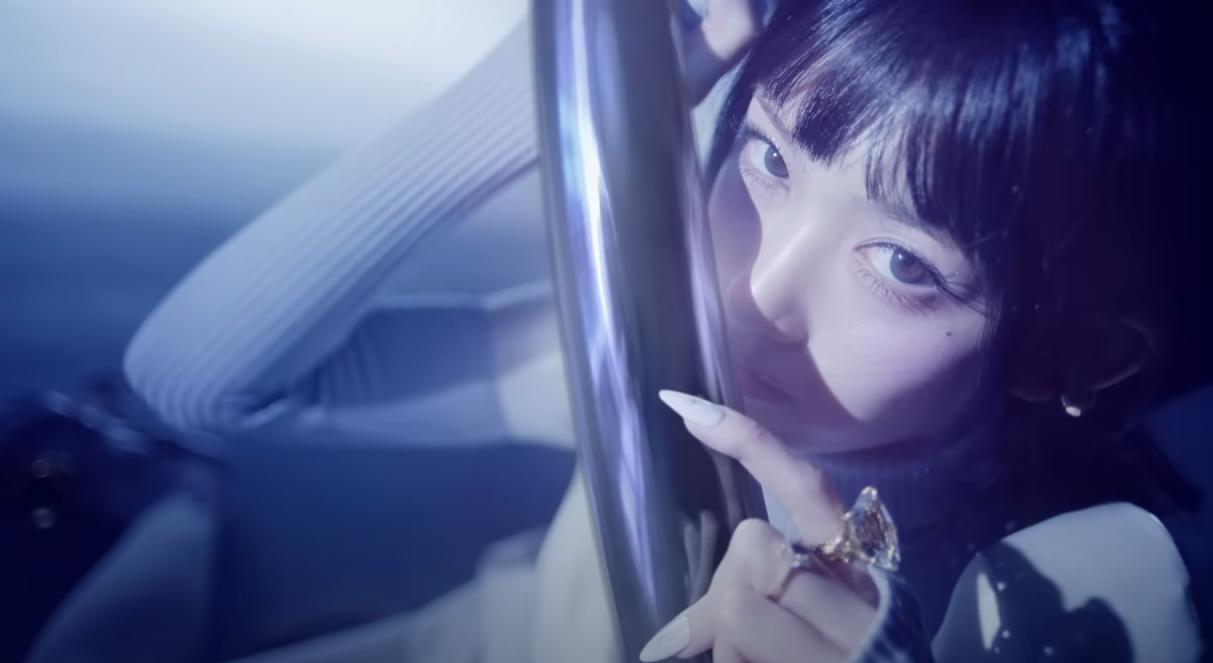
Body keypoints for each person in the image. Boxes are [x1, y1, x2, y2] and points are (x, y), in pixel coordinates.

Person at [119, 0, 1207, 660]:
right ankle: (171, 502)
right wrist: (563, 84)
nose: (756, 292)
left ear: (1077, 353)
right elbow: (195, 384)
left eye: (903, 265)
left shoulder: (1078, 599)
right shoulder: (671, 363)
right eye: (771, 158)